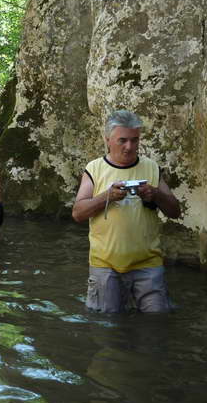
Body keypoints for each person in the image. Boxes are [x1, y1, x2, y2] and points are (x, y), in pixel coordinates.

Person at [71, 109, 182, 313]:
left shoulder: (151, 168)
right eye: (122, 140)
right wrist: (107, 196)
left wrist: (155, 194)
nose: (129, 147)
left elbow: (175, 211)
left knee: (157, 321)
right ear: (107, 140)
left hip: (148, 264)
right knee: (107, 324)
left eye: (134, 140)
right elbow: (78, 213)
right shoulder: (94, 169)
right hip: (105, 265)